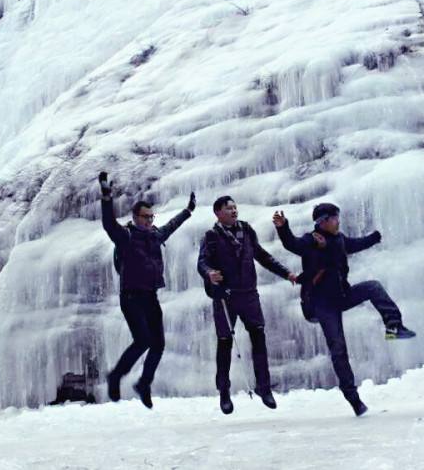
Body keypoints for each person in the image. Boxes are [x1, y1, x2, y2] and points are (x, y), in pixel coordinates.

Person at [273, 203, 416, 417]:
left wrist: (376, 236)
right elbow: (292, 244)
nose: (338, 221)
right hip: (320, 304)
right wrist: (283, 227)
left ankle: (394, 327)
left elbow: (356, 244)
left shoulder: (339, 239)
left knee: (373, 287)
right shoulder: (312, 240)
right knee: (339, 349)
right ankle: (354, 400)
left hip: (340, 296)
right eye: (334, 218)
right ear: (323, 221)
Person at [99, 172, 195, 408]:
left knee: (158, 344)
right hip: (131, 297)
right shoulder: (126, 236)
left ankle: (144, 383)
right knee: (142, 340)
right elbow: (108, 224)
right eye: (145, 217)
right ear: (135, 217)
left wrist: (189, 211)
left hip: (150, 296)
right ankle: (115, 376)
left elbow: (172, 225)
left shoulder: (155, 235)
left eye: (152, 217)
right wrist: (106, 197)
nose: (150, 221)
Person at [197, 196, 298, 415]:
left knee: (259, 338)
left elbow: (262, 256)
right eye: (228, 208)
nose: (233, 211)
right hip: (225, 296)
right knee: (225, 342)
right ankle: (224, 392)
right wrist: (209, 273)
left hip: (249, 294)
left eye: (235, 207)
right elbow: (202, 262)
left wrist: (286, 273)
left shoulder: (247, 230)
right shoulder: (211, 236)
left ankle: (264, 388)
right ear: (218, 213)